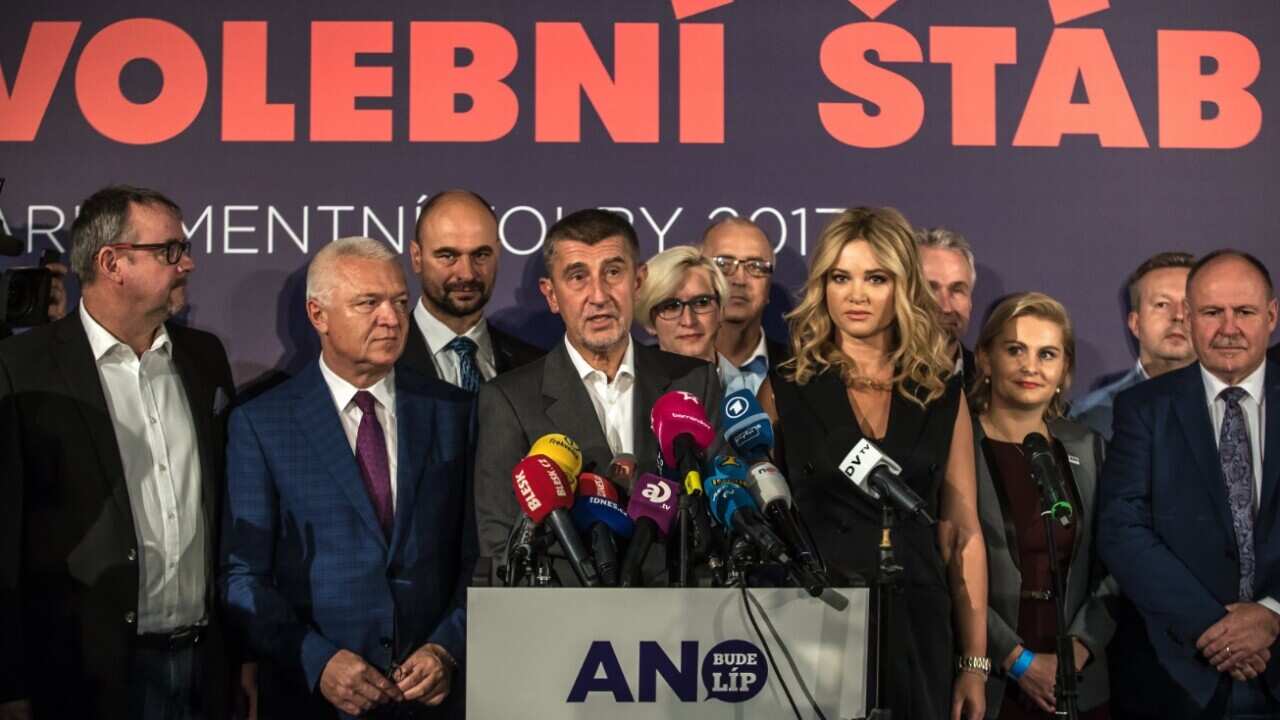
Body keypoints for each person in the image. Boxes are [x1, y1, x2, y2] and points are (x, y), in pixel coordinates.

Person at [0, 185, 235, 719]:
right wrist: (8, 682)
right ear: (112, 263)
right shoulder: (22, 367)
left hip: (203, 668)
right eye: (170, 250)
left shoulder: (205, 358)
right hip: (84, 678)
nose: (188, 264)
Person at [220, 237, 476, 719]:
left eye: (401, 302)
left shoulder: (454, 412)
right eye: (369, 303)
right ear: (318, 315)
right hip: (313, 701)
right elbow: (242, 576)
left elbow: (480, 557)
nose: (392, 318)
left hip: (431, 701)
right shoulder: (262, 423)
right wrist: (318, 662)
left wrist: (448, 649)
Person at [758, 207, 988, 720]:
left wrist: (974, 662)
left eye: (875, 278)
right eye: (841, 277)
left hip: (916, 625)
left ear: (902, 286)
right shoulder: (786, 389)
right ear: (823, 286)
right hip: (814, 622)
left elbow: (960, 531)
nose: (856, 295)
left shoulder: (940, 393)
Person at [473, 209, 722, 586]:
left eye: (613, 272)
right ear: (551, 295)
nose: (599, 295)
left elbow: (717, 518)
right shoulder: (509, 400)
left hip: (680, 627)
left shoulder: (694, 382)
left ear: (638, 282)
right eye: (577, 277)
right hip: (564, 629)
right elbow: (502, 550)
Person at [1098, 249, 1280, 719]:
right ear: (1192, 317)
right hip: (1180, 674)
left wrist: (1273, 614)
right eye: (1211, 312)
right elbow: (1123, 529)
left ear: (1272, 315)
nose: (1228, 328)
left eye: (1244, 312)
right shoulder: (1142, 408)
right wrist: (1215, 627)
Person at [970, 293, 1114, 719]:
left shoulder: (1088, 448)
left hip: (1080, 681)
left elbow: (1117, 565)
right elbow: (945, 566)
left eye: (1047, 354)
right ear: (984, 358)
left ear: (1064, 370)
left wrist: (1080, 648)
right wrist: (1016, 659)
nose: (1030, 366)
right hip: (991, 681)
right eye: (1015, 350)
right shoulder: (956, 443)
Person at [401, 190, 543, 390]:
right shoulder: (381, 360)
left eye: (481, 255)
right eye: (448, 256)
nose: (467, 273)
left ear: (498, 254)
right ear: (417, 257)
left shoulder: (536, 368)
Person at [1071, 252, 1196, 440]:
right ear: (1135, 323)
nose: (1178, 315)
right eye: (1162, 304)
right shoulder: (1088, 417)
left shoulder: (1234, 411)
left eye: (1189, 306)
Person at [700, 217, 788, 394]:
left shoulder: (800, 371)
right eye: (723, 264)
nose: (739, 280)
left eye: (756, 266)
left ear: (769, 285)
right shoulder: (659, 367)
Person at [634, 245, 727, 365]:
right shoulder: (629, 384)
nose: (688, 321)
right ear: (649, 323)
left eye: (701, 302)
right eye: (671, 307)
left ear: (721, 311)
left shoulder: (755, 384)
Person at [916, 226, 979, 390]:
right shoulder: (876, 378)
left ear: (970, 301)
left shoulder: (988, 383)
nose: (945, 307)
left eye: (957, 290)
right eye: (930, 289)